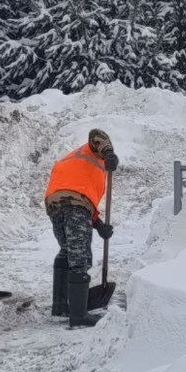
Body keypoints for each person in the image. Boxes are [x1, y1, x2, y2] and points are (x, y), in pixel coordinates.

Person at [44, 128, 118, 328]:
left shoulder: (77, 161)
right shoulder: (94, 152)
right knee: (79, 258)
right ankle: (78, 316)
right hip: (74, 203)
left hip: (55, 203)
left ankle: (60, 306)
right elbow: (97, 134)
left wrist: (99, 225)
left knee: (67, 251)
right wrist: (109, 153)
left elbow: (81, 199)